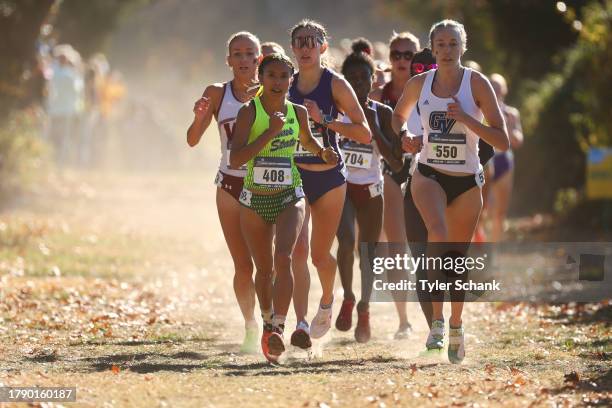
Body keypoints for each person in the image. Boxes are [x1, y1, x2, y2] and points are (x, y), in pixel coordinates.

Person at [393, 19, 509, 363]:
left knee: (458, 257)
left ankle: (457, 326)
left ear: (463, 48)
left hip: (467, 180)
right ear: (432, 48)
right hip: (428, 174)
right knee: (437, 235)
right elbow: (398, 116)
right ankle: (438, 322)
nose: (446, 51)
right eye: (440, 45)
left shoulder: (476, 83)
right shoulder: (419, 84)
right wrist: (404, 137)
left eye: (453, 45)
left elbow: (500, 139)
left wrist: (467, 119)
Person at [230, 53, 338, 362]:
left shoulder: (299, 112)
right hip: (254, 197)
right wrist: (269, 133)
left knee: (285, 256)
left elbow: (307, 141)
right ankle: (267, 325)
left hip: (290, 193)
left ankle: (279, 324)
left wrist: (323, 153)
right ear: (261, 79)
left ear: (291, 80)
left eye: (283, 76)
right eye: (271, 76)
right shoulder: (248, 112)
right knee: (263, 270)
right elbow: (236, 159)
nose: (278, 82)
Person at [288, 19, 371, 349]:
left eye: (312, 41)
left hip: (329, 178)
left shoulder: (335, 84)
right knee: (297, 250)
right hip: (295, 176)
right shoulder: (284, 84)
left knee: (320, 255)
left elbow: (363, 132)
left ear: (323, 47)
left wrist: (326, 121)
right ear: (292, 49)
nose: (306, 47)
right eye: (300, 42)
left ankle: (326, 299)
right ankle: (300, 323)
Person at [186, 31, 261, 354]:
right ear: (228, 60)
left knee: (269, 263)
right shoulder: (217, 93)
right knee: (243, 265)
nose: (243, 60)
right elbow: (192, 139)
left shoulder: (275, 89)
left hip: (266, 185)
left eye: (249, 54)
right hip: (229, 183)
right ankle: (250, 327)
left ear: (259, 59)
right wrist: (200, 116)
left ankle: (274, 322)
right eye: (237, 54)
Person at [334, 46, 398, 343]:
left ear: (374, 81)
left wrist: (372, 126)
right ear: (343, 82)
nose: (358, 84)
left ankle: (364, 307)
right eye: (352, 79)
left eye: (364, 78)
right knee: (346, 241)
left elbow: (396, 161)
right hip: (342, 188)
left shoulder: (383, 113)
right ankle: (347, 296)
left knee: (368, 254)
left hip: (372, 190)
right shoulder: (335, 111)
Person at [369, 31, 419, 338]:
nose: (402, 60)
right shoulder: (379, 96)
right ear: (389, 59)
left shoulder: (428, 90)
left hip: (427, 171)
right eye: (396, 55)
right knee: (396, 246)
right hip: (389, 171)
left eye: (408, 54)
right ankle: (404, 319)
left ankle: (439, 311)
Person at [488, 73, 523, 241]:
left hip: (504, 161)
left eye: (498, 87)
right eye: (491, 86)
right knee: (481, 210)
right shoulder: (479, 111)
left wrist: (511, 131)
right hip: (485, 162)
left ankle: (493, 252)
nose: (495, 90)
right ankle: (476, 247)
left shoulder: (511, 113)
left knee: (500, 213)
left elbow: (518, 139)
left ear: (504, 90)